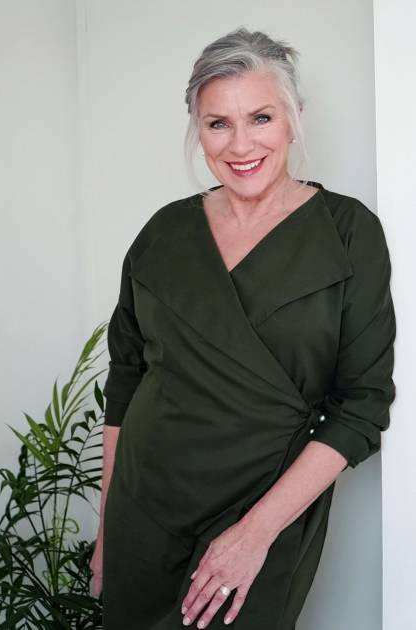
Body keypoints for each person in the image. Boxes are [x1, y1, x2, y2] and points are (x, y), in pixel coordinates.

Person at [90, 27, 396, 630]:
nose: (240, 144)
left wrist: (255, 534)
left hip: (265, 511)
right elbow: (125, 383)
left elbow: (362, 405)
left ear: (293, 119)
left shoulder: (347, 231)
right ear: (197, 129)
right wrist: (107, 530)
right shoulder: (163, 233)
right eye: (217, 123)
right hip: (143, 514)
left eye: (260, 117)